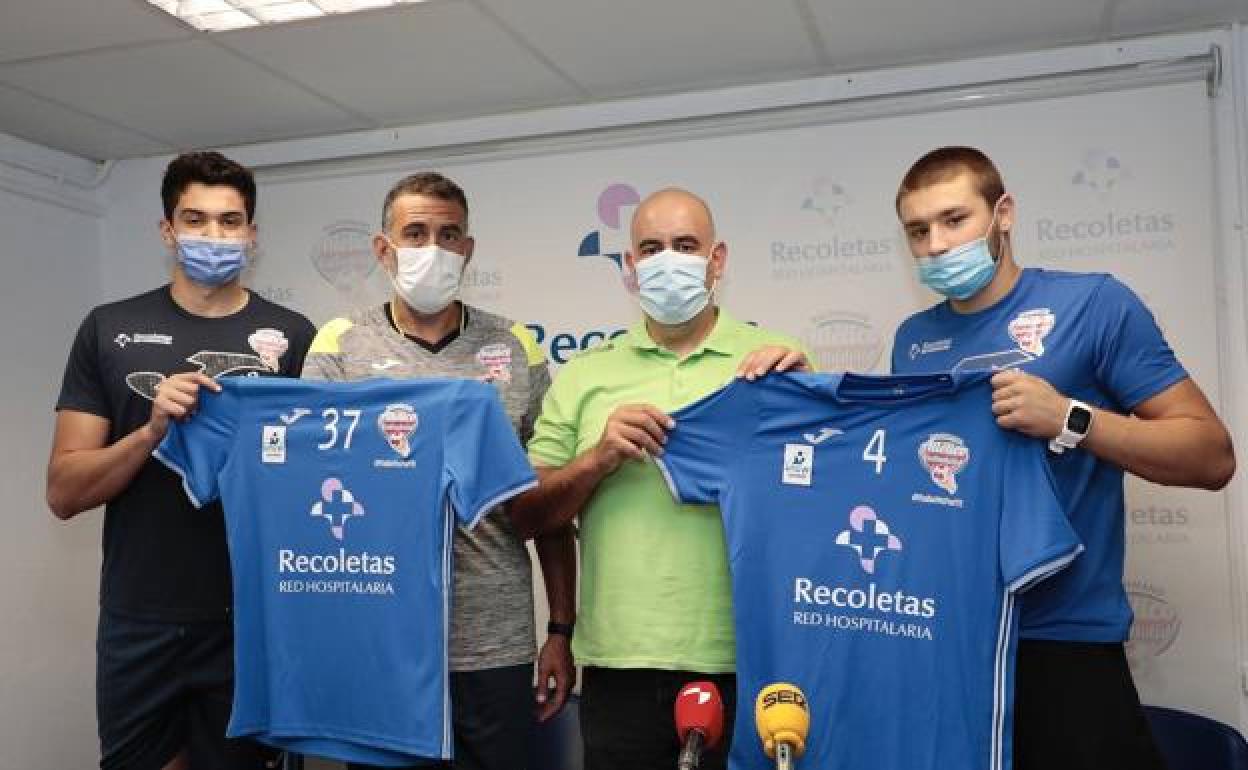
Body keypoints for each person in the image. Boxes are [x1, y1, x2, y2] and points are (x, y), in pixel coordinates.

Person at [889, 145, 1235, 770]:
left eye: (954, 219)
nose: (937, 245)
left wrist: (1071, 419)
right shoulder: (912, 342)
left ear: (1003, 214)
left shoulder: (1094, 304)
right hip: (954, 639)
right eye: (918, 231)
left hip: (1066, 639)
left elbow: (1210, 455)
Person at [513, 187, 809, 770]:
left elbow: (820, 503)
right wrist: (598, 458)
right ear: (630, 265)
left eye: (685, 245)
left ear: (717, 259)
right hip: (620, 664)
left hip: (748, 656)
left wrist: (803, 401)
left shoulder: (777, 363)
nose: (668, 260)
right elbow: (528, 515)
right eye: (651, 248)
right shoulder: (586, 375)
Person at [47, 151, 316, 770]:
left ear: (252, 235)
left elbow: (316, 479)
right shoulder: (109, 329)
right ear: (167, 231)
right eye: (195, 220)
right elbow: (63, 491)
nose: (213, 236)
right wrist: (152, 431)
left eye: (229, 221)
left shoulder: (295, 336)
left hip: (251, 616)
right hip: (141, 615)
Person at [301, 171, 577, 770]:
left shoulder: (516, 345)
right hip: (382, 644)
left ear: (467, 249)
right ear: (383, 249)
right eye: (415, 233)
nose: (433, 248)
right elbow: (311, 497)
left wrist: (560, 630)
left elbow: (549, 506)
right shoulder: (340, 344)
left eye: (448, 235)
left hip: (495, 644)